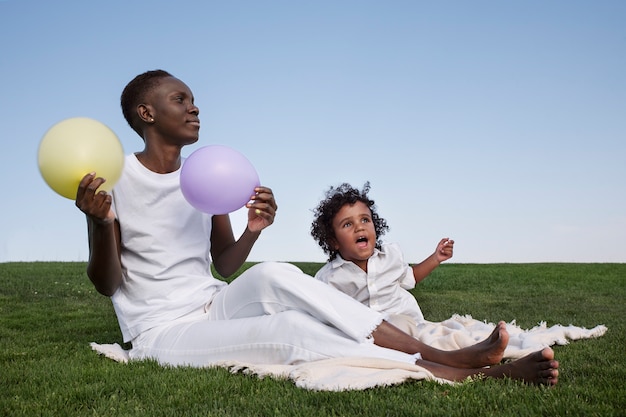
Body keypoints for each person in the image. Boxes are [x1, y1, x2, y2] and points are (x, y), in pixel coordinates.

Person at [75, 69, 559, 385]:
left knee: (278, 273)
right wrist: (99, 224)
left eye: (194, 99)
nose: (195, 107)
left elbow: (224, 267)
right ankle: (449, 370)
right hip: (160, 330)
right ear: (147, 113)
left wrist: (253, 229)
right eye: (181, 99)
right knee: (291, 332)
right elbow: (108, 284)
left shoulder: (207, 174)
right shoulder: (113, 177)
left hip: (211, 303)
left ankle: (438, 353)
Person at [311, 182, 453, 335]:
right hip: (368, 332)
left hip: (406, 321)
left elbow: (411, 277)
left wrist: (435, 258)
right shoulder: (329, 278)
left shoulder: (390, 255)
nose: (359, 227)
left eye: (365, 220)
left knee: (407, 327)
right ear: (334, 241)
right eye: (348, 224)